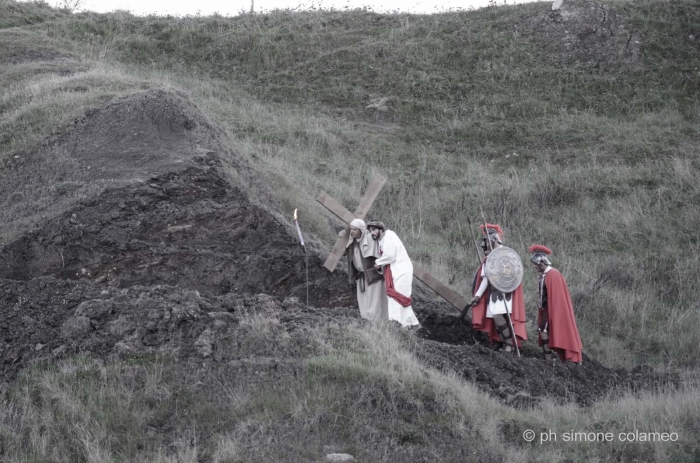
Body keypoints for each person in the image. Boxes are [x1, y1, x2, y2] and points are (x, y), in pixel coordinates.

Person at [470, 223, 527, 353]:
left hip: (505, 293)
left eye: (487, 241)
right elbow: (485, 279)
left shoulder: (506, 255)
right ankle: (502, 342)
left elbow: (513, 274)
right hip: (493, 294)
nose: (485, 244)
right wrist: (478, 295)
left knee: (498, 317)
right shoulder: (489, 258)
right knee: (495, 318)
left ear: (494, 240)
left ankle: (509, 345)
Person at [529, 245, 583, 364]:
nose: (534, 267)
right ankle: (547, 359)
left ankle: (548, 359)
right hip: (546, 309)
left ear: (542, 262)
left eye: (536, 264)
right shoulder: (545, 275)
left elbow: (557, 298)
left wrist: (552, 311)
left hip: (552, 309)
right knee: (542, 330)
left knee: (543, 330)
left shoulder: (553, 274)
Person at [366, 221, 420, 329]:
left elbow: (390, 256)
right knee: (395, 296)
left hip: (402, 270)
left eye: (374, 230)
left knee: (397, 297)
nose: (372, 233)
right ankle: (411, 324)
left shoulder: (389, 236)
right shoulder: (381, 240)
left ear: (381, 230)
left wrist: (378, 262)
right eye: (371, 230)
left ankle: (396, 323)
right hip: (394, 270)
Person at [339, 219, 388, 322]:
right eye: (351, 229)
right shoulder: (352, 240)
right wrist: (342, 238)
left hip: (373, 276)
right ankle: (365, 320)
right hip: (361, 276)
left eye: (355, 230)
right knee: (363, 300)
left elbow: (381, 238)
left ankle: (373, 323)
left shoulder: (370, 238)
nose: (352, 232)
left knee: (373, 301)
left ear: (361, 230)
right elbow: (342, 252)